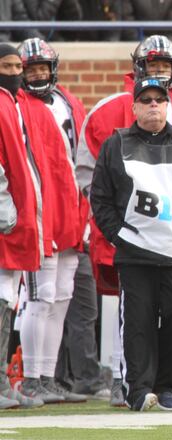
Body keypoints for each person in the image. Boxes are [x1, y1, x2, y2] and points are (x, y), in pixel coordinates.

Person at [76, 34, 172, 407]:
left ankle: (168, 386)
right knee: (137, 325)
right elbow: (100, 194)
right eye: (146, 101)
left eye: (159, 100)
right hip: (136, 251)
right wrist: (117, 234)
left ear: (168, 104)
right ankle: (138, 389)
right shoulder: (117, 141)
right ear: (135, 106)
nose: (153, 106)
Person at [17, 38, 91, 404]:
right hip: (41, 211)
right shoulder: (18, 106)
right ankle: (31, 377)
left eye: (42, 69)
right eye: (30, 70)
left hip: (72, 210)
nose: (37, 75)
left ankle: (48, 376)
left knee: (62, 296)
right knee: (41, 297)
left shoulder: (68, 101)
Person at [0, 43, 47, 410]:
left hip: (17, 219)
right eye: (7, 65)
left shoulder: (11, 102)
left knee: (9, 297)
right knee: (2, 297)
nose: (15, 72)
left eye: (18, 65)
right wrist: (6, 211)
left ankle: (2, 379)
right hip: (6, 221)